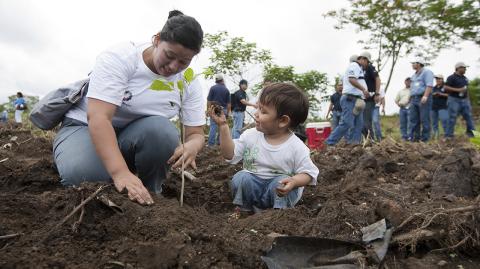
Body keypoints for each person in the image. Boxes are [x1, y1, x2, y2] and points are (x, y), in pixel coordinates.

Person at [53, 10, 205, 205]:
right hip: (85, 127)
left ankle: (150, 195)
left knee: (162, 132)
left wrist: (193, 144)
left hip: (132, 137)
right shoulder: (121, 58)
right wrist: (120, 172)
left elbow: (196, 133)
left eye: (184, 61)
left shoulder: (187, 82)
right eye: (169, 55)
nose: (174, 67)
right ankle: (86, 159)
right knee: (88, 177)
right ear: (157, 40)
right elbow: (99, 118)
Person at [209, 82, 318, 214]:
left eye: (263, 111)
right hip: (254, 189)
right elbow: (229, 155)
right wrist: (223, 126)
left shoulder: (296, 146)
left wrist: (294, 181)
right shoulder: (250, 136)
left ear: (283, 121)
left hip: (279, 194)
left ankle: (278, 215)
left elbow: (309, 173)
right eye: (258, 108)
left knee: (280, 183)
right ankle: (245, 210)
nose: (256, 114)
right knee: (242, 178)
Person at [326, 55, 370, 145]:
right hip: (350, 99)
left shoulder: (357, 68)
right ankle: (329, 143)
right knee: (347, 123)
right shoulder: (354, 65)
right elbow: (352, 79)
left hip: (356, 100)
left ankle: (354, 144)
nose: (367, 64)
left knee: (358, 124)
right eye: (367, 61)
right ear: (362, 59)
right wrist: (364, 90)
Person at [444, 62, 476, 138]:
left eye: (465, 68)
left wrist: (468, 100)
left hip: (465, 100)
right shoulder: (451, 77)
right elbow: (446, 87)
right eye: (464, 68)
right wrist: (458, 90)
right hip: (454, 100)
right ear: (458, 68)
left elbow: (466, 90)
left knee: (468, 117)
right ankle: (449, 136)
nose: (465, 69)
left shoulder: (465, 78)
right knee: (452, 117)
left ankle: (471, 134)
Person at [408, 58, 434, 142]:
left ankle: (425, 139)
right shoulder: (413, 76)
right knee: (414, 120)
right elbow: (412, 88)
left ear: (419, 64)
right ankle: (415, 139)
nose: (412, 65)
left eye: (413, 63)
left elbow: (429, 85)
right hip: (414, 99)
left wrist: (425, 96)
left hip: (423, 97)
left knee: (424, 119)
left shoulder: (427, 72)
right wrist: (410, 99)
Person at [359, 52, 381, 140]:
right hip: (362, 99)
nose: (360, 61)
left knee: (366, 123)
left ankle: (371, 141)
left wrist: (377, 93)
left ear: (366, 60)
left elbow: (378, 79)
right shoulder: (361, 70)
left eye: (362, 59)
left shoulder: (370, 68)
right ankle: (367, 140)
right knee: (361, 123)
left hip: (369, 99)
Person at [206, 74, 231, 146]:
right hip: (223, 110)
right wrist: (228, 112)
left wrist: (208, 110)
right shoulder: (226, 89)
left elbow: (209, 101)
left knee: (213, 126)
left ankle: (210, 144)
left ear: (216, 81)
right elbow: (229, 103)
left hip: (214, 108)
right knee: (222, 126)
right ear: (222, 80)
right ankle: (219, 143)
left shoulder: (212, 88)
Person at [430, 74, 449, 139]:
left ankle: (447, 136)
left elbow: (450, 95)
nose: (437, 80)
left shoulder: (446, 87)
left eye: (439, 79)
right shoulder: (433, 88)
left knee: (444, 122)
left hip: (443, 107)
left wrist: (440, 94)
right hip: (433, 108)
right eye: (436, 79)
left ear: (442, 79)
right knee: (434, 123)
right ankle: (436, 137)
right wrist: (433, 94)